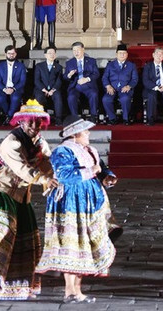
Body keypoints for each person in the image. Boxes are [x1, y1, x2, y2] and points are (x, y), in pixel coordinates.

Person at [0, 100, 55, 300]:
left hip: (21, 196)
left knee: (25, 240)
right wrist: (43, 179)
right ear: (21, 123)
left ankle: (14, 285)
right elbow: (22, 169)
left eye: (37, 123)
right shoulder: (11, 143)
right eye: (30, 122)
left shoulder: (40, 143)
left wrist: (54, 179)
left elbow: (48, 163)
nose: (34, 126)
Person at [35, 115, 116, 303]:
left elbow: (101, 168)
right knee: (72, 244)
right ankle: (70, 290)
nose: (88, 133)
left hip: (88, 202)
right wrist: (92, 171)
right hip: (71, 202)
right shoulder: (63, 151)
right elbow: (64, 174)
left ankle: (76, 291)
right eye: (85, 130)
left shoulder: (89, 150)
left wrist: (107, 177)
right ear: (75, 133)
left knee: (85, 243)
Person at [101, 44, 138, 125]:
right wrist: (108, 86)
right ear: (116, 54)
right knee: (106, 99)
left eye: (124, 53)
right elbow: (104, 78)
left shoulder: (131, 65)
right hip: (112, 88)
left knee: (125, 99)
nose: (122, 55)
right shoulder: (110, 65)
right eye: (120, 53)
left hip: (125, 88)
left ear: (127, 55)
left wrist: (129, 86)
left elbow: (135, 79)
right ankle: (112, 118)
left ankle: (126, 119)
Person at [63, 41, 100, 121]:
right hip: (75, 86)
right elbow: (65, 77)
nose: (76, 53)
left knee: (93, 95)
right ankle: (75, 117)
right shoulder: (69, 63)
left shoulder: (91, 61)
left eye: (78, 50)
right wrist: (69, 75)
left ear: (83, 50)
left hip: (88, 85)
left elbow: (96, 74)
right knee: (71, 97)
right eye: (74, 51)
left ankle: (93, 116)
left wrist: (86, 79)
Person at [141, 46, 163, 125]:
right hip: (152, 88)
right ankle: (150, 119)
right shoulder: (148, 66)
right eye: (157, 54)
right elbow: (145, 81)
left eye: (161, 54)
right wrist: (157, 87)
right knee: (151, 95)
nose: (159, 56)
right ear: (153, 55)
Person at [0, 45, 27, 125]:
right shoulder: (0, 66)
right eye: (9, 53)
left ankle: (9, 117)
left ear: (15, 54)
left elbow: (22, 81)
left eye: (13, 53)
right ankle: (11, 116)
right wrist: (4, 89)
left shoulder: (21, 66)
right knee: (0, 99)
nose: (11, 55)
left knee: (16, 98)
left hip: (16, 88)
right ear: (5, 54)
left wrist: (13, 89)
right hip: (3, 88)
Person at [34, 46, 64, 124]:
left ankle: (58, 119)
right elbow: (37, 80)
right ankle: (39, 119)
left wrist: (52, 90)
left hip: (54, 89)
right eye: (49, 53)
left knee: (58, 97)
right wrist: (44, 89)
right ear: (45, 55)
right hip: (41, 89)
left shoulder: (59, 67)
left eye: (53, 53)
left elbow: (59, 81)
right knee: (39, 97)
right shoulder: (39, 66)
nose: (52, 55)